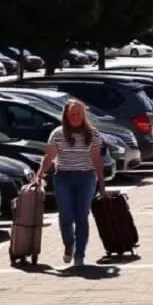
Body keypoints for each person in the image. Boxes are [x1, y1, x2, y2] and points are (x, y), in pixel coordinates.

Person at [31, 99, 106, 267]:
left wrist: (101, 184)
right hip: (63, 177)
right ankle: (68, 245)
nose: (75, 117)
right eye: (72, 114)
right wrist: (39, 175)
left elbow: (97, 160)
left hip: (86, 178)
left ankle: (80, 255)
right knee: (66, 216)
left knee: (82, 217)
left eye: (78, 114)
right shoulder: (58, 134)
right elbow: (49, 157)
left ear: (83, 115)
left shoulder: (92, 133)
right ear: (66, 115)